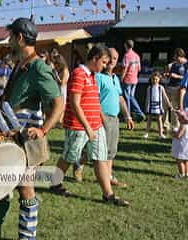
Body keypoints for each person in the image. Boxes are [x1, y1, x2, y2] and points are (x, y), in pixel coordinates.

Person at [0, 17, 64, 240]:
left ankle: (27, 236)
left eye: (11, 37)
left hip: (25, 140)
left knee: (25, 188)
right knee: (0, 182)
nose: (9, 41)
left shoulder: (39, 68)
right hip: (9, 135)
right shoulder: (20, 64)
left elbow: (59, 103)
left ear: (20, 38)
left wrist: (43, 130)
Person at [50, 45, 129, 207]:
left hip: (96, 126)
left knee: (101, 157)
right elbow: (75, 103)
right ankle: (54, 182)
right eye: (104, 62)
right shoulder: (79, 74)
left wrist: (98, 122)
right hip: (79, 127)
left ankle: (108, 195)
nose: (106, 66)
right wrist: (87, 127)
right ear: (95, 59)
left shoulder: (93, 75)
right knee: (69, 157)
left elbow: (92, 102)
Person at [72, 48, 134, 186]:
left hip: (114, 118)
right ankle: (80, 163)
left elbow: (121, 98)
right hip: (101, 117)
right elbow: (95, 99)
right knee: (98, 150)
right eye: (109, 58)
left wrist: (128, 116)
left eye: (114, 59)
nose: (111, 61)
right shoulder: (98, 76)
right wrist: (101, 117)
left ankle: (108, 176)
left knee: (111, 150)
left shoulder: (115, 78)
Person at [121, 40, 146, 121]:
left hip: (127, 79)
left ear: (125, 45)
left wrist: (122, 77)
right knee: (131, 96)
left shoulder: (126, 56)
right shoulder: (137, 55)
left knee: (127, 97)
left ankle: (128, 116)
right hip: (134, 79)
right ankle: (139, 113)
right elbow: (139, 69)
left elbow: (125, 68)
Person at [144, 72, 172, 139]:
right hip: (151, 106)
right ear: (151, 79)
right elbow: (147, 97)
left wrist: (169, 104)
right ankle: (146, 133)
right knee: (149, 119)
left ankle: (160, 134)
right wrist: (146, 106)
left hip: (158, 106)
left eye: (156, 79)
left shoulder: (161, 87)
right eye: (153, 79)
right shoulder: (149, 88)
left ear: (159, 79)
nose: (155, 81)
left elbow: (165, 97)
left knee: (159, 120)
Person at [164, 48, 187, 130]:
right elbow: (169, 72)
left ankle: (175, 126)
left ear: (180, 56)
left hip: (178, 88)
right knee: (165, 106)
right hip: (169, 86)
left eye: (176, 57)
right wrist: (168, 74)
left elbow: (185, 78)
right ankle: (165, 125)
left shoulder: (186, 65)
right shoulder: (174, 64)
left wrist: (177, 76)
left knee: (174, 109)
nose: (174, 59)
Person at [51, 54, 69, 125]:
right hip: (58, 89)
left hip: (62, 90)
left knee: (62, 106)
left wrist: (56, 75)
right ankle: (59, 121)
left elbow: (63, 83)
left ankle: (60, 121)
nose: (56, 66)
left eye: (57, 64)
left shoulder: (65, 70)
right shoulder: (60, 70)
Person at [172, 110, 188, 179]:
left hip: (182, 147)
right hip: (186, 146)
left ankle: (181, 174)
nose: (178, 118)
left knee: (179, 160)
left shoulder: (183, 126)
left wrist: (173, 133)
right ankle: (186, 173)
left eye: (180, 117)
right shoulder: (186, 125)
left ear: (184, 119)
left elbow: (178, 136)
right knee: (186, 160)